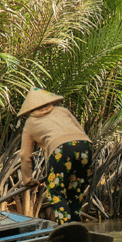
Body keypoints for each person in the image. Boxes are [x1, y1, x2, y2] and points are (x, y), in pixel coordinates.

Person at [19, 88, 92, 224]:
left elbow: (25, 155)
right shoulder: (63, 110)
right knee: (75, 190)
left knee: (55, 191)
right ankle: (76, 224)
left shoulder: (30, 123)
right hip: (84, 147)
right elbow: (81, 132)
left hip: (61, 150)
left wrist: (28, 179)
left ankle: (66, 226)